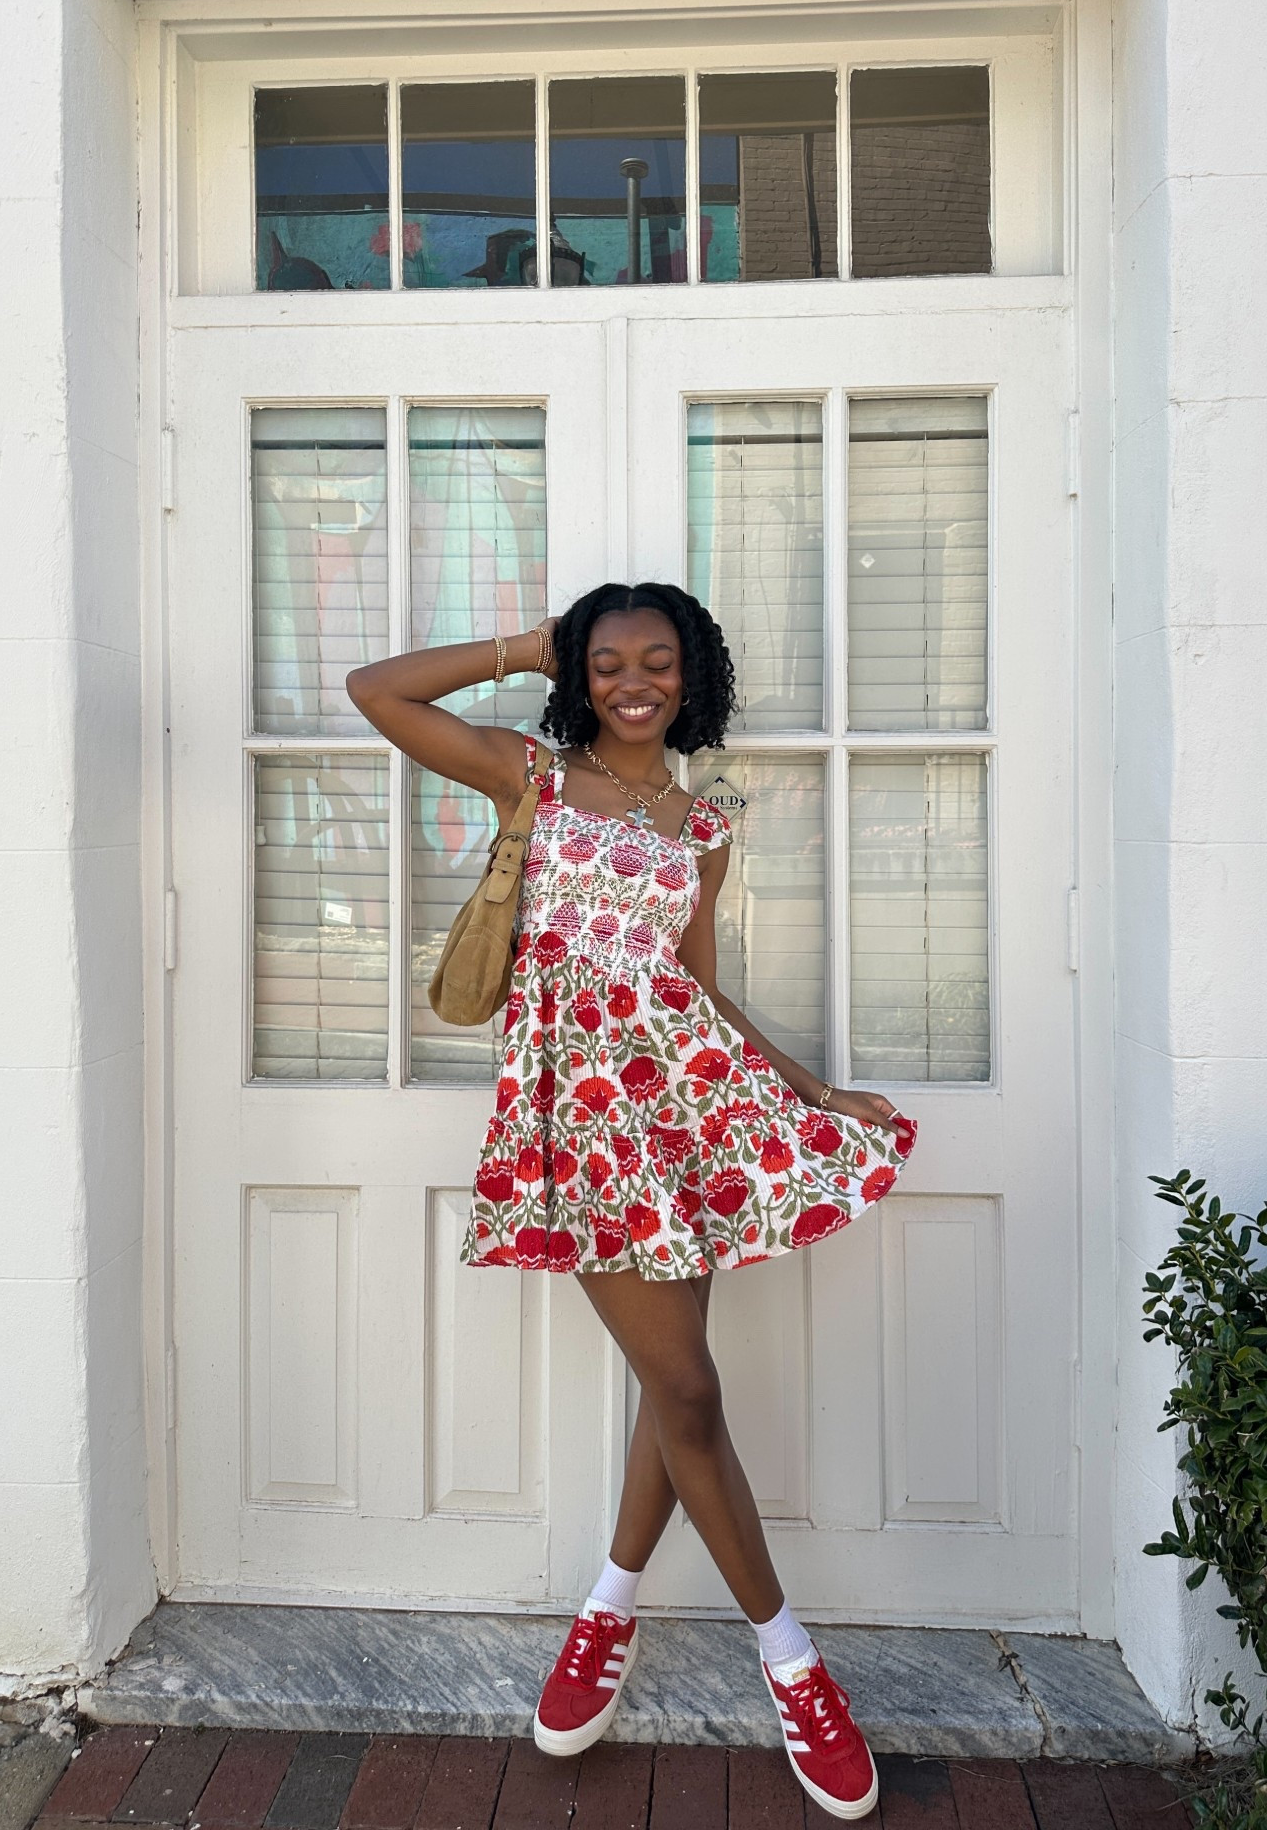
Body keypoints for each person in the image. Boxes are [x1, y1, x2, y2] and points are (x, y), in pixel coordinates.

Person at [347, 581, 916, 1822]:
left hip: (687, 1110)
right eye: (607, 662)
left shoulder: (705, 816)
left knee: (678, 1384)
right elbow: (374, 691)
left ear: (690, 670)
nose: (633, 681)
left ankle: (606, 1607)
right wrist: (521, 645)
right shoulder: (529, 776)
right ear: (581, 674)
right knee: (694, 1391)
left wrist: (813, 1086)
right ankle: (794, 1663)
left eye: (657, 659)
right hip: (582, 1123)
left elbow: (698, 990)